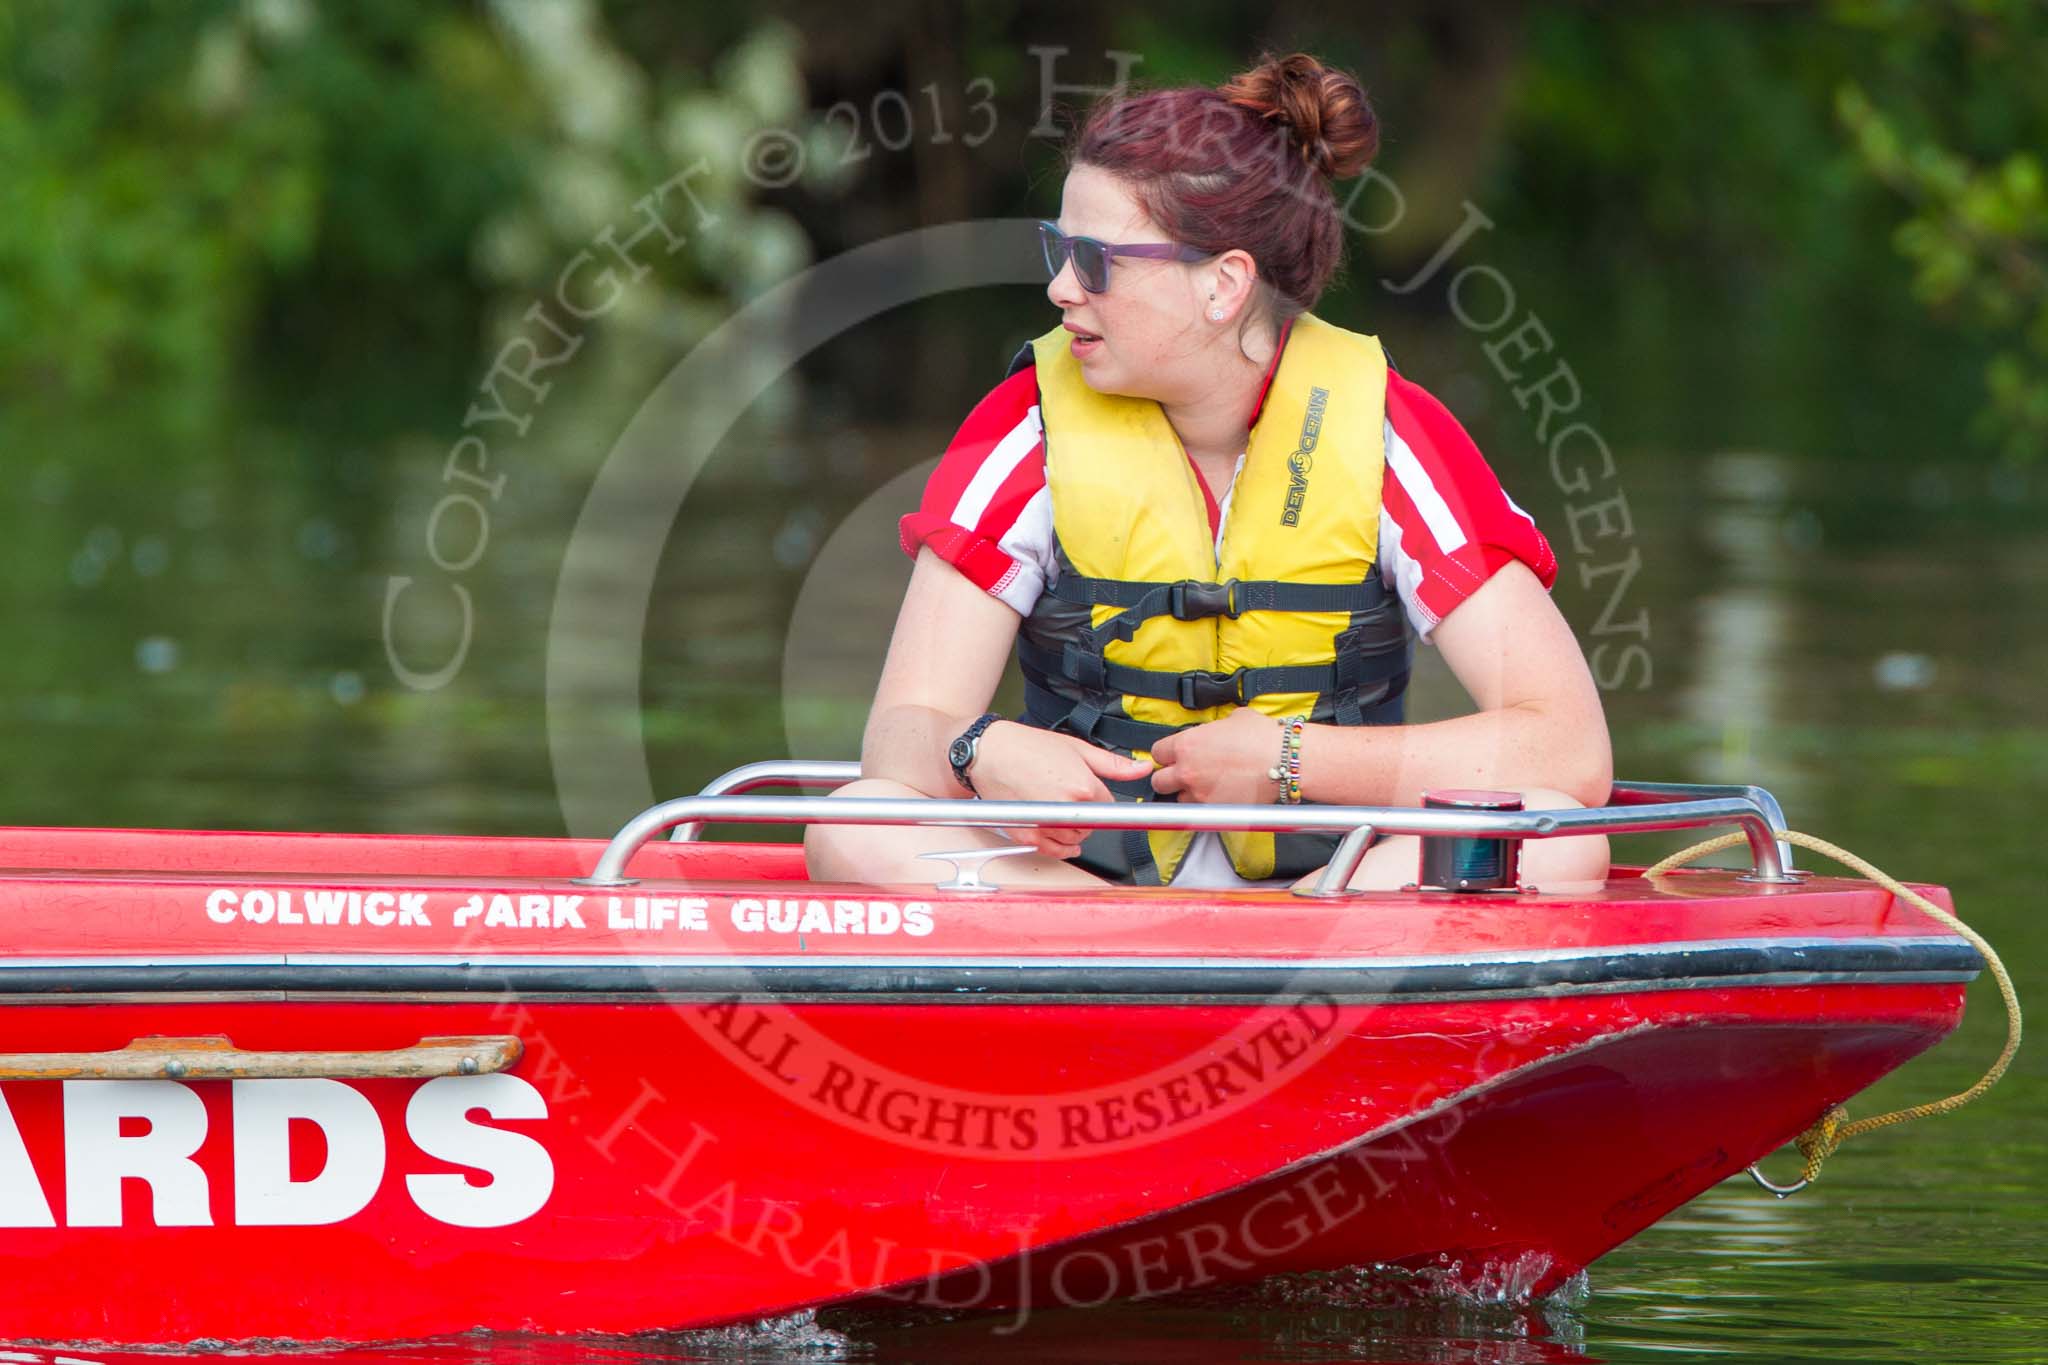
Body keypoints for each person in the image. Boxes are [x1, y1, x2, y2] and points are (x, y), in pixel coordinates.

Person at [807, 53, 1611, 892]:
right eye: (1058, 249)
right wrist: (979, 749)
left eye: (1095, 260)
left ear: (1224, 284)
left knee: (1562, 839)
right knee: (854, 824)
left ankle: (1287, 938)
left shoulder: (1388, 435)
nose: (1060, 288)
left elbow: (1570, 749)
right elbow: (896, 737)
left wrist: (1290, 759)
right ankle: (1141, 943)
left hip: (1336, 889)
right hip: (1082, 892)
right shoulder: (1025, 424)